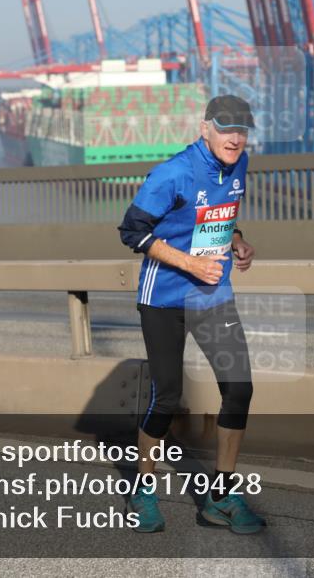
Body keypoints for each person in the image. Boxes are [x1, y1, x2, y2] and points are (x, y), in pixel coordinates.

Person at [117, 94, 265, 535]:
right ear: (205, 129)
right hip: (163, 297)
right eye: (225, 128)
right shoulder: (173, 173)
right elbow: (131, 230)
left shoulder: (239, 164)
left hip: (212, 294)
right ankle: (144, 489)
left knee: (239, 390)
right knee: (167, 397)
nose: (235, 138)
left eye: (241, 130)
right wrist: (189, 263)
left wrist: (236, 239)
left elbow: (219, 213)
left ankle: (221, 495)